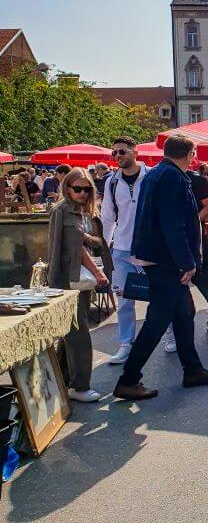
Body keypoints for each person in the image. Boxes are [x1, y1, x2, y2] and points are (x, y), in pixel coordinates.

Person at [113, 134, 208, 401]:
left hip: (161, 258)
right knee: (158, 319)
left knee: (184, 312)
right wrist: (186, 262)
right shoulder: (171, 177)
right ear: (189, 155)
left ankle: (193, 369)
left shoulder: (160, 174)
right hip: (166, 261)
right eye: (193, 154)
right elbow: (173, 224)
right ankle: (129, 379)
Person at [47, 168, 109, 402]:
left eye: (87, 188)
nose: (82, 193)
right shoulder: (61, 211)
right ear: (67, 187)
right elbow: (60, 248)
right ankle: (80, 385)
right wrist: (53, 284)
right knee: (78, 331)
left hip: (82, 278)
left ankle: (65, 380)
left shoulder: (86, 211)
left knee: (73, 330)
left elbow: (94, 242)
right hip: (68, 277)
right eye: (78, 188)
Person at [101, 137, 149, 365]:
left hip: (149, 248)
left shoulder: (151, 177)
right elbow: (108, 216)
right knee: (124, 299)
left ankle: (170, 335)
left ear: (135, 152)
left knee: (159, 294)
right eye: (114, 153)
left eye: (122, 152)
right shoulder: (111, 182)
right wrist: (104, 246)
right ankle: (125, 344)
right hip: (121, 248)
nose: (118, 156)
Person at [187, 164, 208, 333]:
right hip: (169, 237)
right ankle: (177, 323)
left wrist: (193, 222)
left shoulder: (197, 181)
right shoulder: (161, 179)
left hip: (196, 237)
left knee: (203, 274)